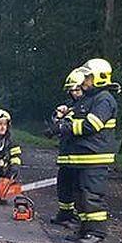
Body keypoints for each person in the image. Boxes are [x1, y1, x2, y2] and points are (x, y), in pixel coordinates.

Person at [53, 58, 119, 243]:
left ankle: (97, 233)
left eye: (87, 77)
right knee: (80, 196)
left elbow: (93, 124)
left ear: (98, 78)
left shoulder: (104, 99)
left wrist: (67, 127)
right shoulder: (89, 98)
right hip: (82, 158)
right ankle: (84, 229)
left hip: (94, 158)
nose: (84, 81)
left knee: (91, 196)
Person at [47, 67, 88, 226]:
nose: (74, 93)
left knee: (78, 187)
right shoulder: (71, 105)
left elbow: (80, 126)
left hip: (80, 154)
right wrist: (57, 115)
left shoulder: (87, 106)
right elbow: (56, 127)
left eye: (77, 89)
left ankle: (79, 218)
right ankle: (65, 213)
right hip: (67, 153)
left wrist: (65, 120)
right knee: (63, 184)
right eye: (72, 90)